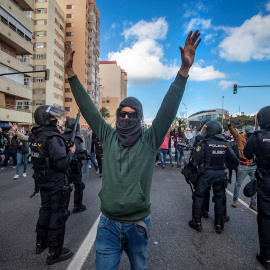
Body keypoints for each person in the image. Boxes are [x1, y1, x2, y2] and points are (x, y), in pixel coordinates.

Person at [64, 30, 201, 269]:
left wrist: (183, 72)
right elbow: (88, 108)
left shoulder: (150, 139)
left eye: (132, 115)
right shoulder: (107, 135)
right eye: (123, 114)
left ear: (139, 118)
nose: (127, 118)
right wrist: (70, 73)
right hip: (107, 224)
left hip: (137, 224)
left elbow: (167, 110)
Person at [29, 105, 75, 265]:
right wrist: (72, 152)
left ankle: (40, 243)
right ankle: (55, 252)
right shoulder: (53, 137)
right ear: (47, 119)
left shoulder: (36, 135)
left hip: (42, 180)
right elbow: (62, 163)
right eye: (54, 118)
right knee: (58, 213)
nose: (57, 120)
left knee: (45, 210)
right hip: (55, 181)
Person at [189, 121, 238, 234]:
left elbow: (195, 160)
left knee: (199, 196)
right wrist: (225, 165)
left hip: (206, 174)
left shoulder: (204, 143)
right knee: (219, 198)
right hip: (220, 174)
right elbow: (234, 159)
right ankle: (219, 224)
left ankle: (197, 222)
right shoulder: (225, 143)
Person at [243, 106, 270, 269]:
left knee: (266, 217)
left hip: (266, 181)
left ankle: (266, 256)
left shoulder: (258, 136)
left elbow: (246, 154)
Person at [224, 113, 257, 211]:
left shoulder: (254, 139)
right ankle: (235, 200)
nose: (251, 134)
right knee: (238, 184)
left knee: (254, 184)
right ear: (246, 132)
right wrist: (228, 121)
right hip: (243, 164)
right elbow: (232, 131)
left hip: (253, 164)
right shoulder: (240, 138)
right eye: (250, 132)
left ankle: (253, 202)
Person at [63, 117, 87, 213]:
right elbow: (80, 153)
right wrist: (85, 155)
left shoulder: (61, 137)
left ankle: (64, 208)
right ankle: (78, 205)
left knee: (65, 187)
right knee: (79, 186)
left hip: (65, 166)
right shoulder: (77, 138)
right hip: (74, 166)